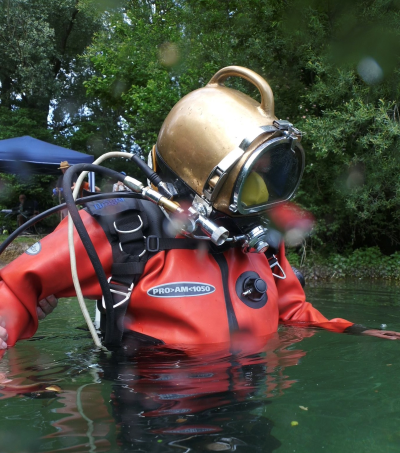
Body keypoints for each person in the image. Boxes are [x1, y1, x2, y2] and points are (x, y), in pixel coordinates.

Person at [0, 65, 399, 352]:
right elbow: (13, 287)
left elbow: (292, 312)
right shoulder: (123, 228)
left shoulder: (259, 240)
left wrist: (356, 331)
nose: (261, 193)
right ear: (202, 174)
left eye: (267, 175)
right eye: (252, 176)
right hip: (156, 418)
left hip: (249, 409)